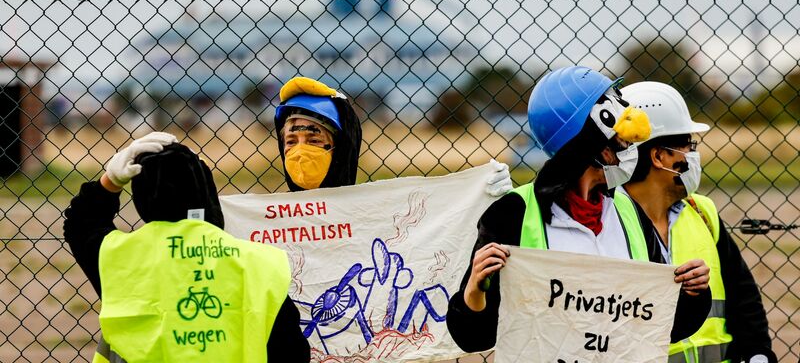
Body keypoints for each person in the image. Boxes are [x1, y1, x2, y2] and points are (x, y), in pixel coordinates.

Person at [446, 66, 712, 353]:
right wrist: (474, 291)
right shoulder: (513, 214)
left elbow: (665, 326)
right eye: (620, 139)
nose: (630, 148)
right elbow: (474, 338)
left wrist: (692, 292)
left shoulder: (628, 211)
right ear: (590, 144)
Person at [63, 133, 310, 362]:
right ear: (206, 190)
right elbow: (292, 350)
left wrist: (112, 181)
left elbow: (80, 225)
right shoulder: (260, 264)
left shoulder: (119, 257)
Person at [620, 81, 777, 363]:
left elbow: (744, 297)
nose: (693, 155)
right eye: (688, 145)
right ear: (659, 156)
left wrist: (758, 354)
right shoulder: (609, 221)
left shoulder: (702, 212)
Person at [274, 76, 513, 194]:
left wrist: (482, 196)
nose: (300, 152)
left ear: (343, 147)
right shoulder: (265, 219)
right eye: (291, 142)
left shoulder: (376, 208)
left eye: (315, 141)